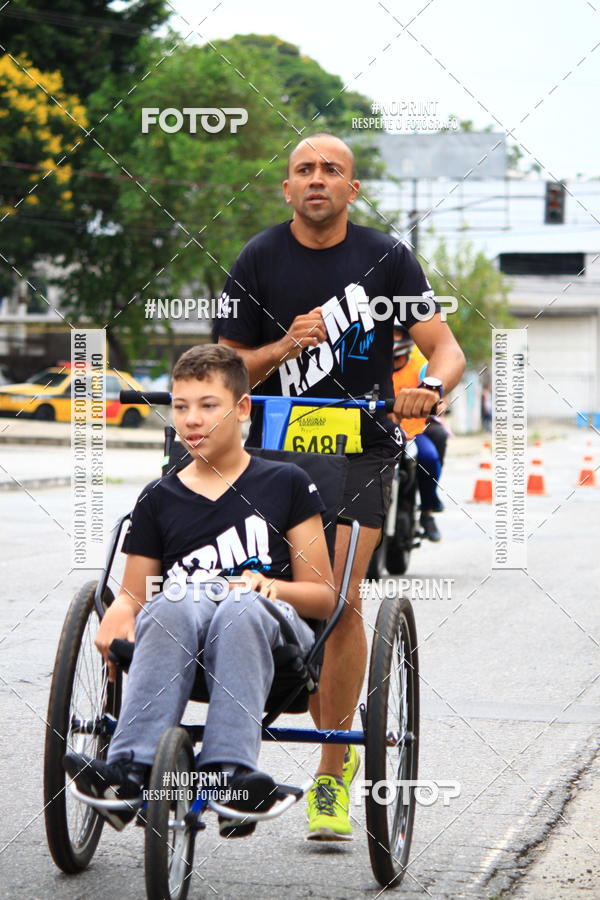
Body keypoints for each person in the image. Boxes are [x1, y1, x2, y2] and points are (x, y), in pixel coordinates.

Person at [215, 132, 466, 839]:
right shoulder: (259, 259)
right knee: (241, 583)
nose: (317, 178)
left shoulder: (386, 258)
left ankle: (332, 774)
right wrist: (286, 346)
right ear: (286, 189)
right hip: (264, 451)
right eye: (304, 170)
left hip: (358, 449)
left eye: (332, 170)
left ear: (352, 190)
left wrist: (427, 389)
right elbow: (224, 371)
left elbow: (445, 348)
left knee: (341, 598)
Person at [63, 344, 335, 837]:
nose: (191, 420)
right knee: (172, 600)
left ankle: (229, 774)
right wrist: (117, 615)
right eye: (181, 406)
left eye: (208, 405)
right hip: (178, 634)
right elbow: (132, 594)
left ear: (242, 408)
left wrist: (268, 586)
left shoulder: (286, 483)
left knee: (237, 606)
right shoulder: (158, 497)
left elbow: (322, 596)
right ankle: (129, 770)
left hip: (268, 635)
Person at [391, 327, 451, 542]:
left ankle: (427, 511)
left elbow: (439, 389)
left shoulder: (421, 365)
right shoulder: (369, 360)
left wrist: (438, 402)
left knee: (429, 456)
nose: (393, 338)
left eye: (397, 333)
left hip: (414, 433)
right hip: (376, 430)